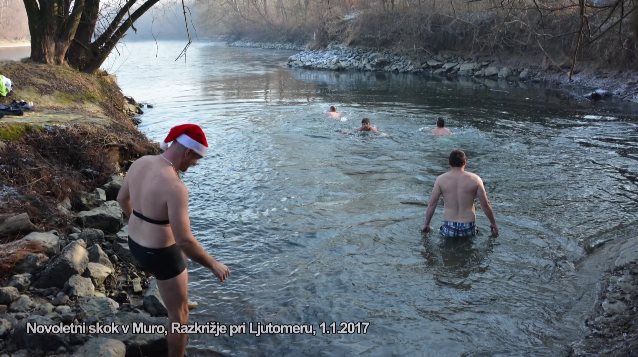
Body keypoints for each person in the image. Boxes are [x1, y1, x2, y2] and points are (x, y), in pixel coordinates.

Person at [117, 124, 230, 357]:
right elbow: (185, 240)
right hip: (161, 255)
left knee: (175, 290)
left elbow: (121, 199)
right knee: (179, 315)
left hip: (135, 245)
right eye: (195, 161)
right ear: (188, 152)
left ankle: (174, 296)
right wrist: (213, 264)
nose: (192, 166)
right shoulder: (176, 187)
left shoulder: (140, 163)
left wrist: (138, 223)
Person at [422, 150, 498, 238]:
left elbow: (432, 204)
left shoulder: (440, 179)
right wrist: (493, 223)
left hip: (449, 226)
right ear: (465, 162)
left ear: (449, 162)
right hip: (468, 226)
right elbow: (485, 205)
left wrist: (426, 224)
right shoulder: (475, 179)